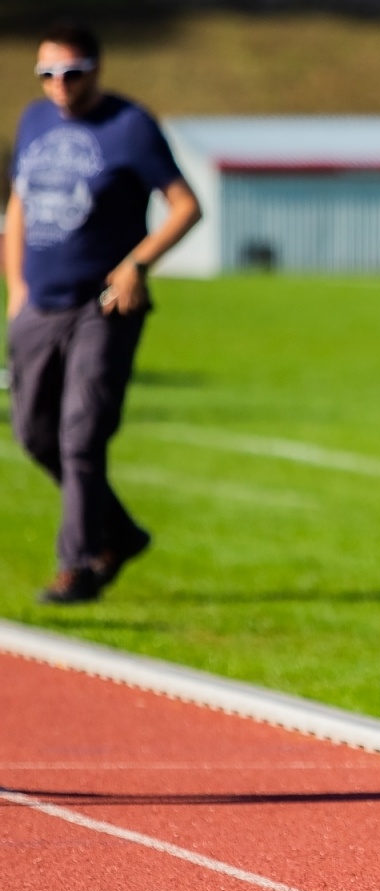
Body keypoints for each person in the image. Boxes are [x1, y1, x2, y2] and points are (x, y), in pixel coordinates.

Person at [5, 20, 201, 604]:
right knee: (35, 435)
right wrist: (15, 286)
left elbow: (186, 205)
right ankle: (119, 534)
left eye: (71, 72)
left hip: (103, 306)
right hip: (39, 303)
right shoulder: (33, 121)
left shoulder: (129, 126)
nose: (59, 84)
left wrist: (137, 263)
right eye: (47, 73)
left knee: (80, 438)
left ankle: (80, 563)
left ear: (96, 68)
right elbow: (18, 203)